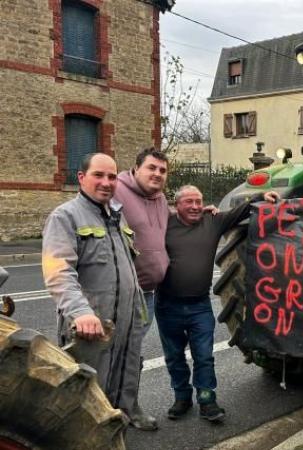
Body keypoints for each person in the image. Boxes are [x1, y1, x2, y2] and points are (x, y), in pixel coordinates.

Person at [42, 153, 144, 418]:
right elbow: (59, 271)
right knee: (86, 393)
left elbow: (127, 268)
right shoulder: (65, 217)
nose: (106, 182)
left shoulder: (117, 216)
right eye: (98, 175)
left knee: (125, 377)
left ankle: (119, 427)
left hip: (126, 321)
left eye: (112, 176)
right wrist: (81, 313)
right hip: (91, 324)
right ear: (81, 177)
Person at [156, 185, 250, 422]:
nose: (196, 206)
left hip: (199, 306)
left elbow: (241, 211)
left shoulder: (213, 222)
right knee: (174, 356)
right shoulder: (163, 223)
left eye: (199, 201)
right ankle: (182, 398)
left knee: (204, 356)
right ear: (176, 205)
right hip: (167, 305)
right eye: (189, 202)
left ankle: (207, 400)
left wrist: (263, 196)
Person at [112, 147, 170, 430]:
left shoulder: (160, 199)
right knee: (112, 355)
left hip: (147, 295)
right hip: (121, 297)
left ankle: (127, 407)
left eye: (162, 170)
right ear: (135, 169)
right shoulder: (116, 193)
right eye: (151, 168)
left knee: (132, 354)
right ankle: (114, 412)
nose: (157, 174)